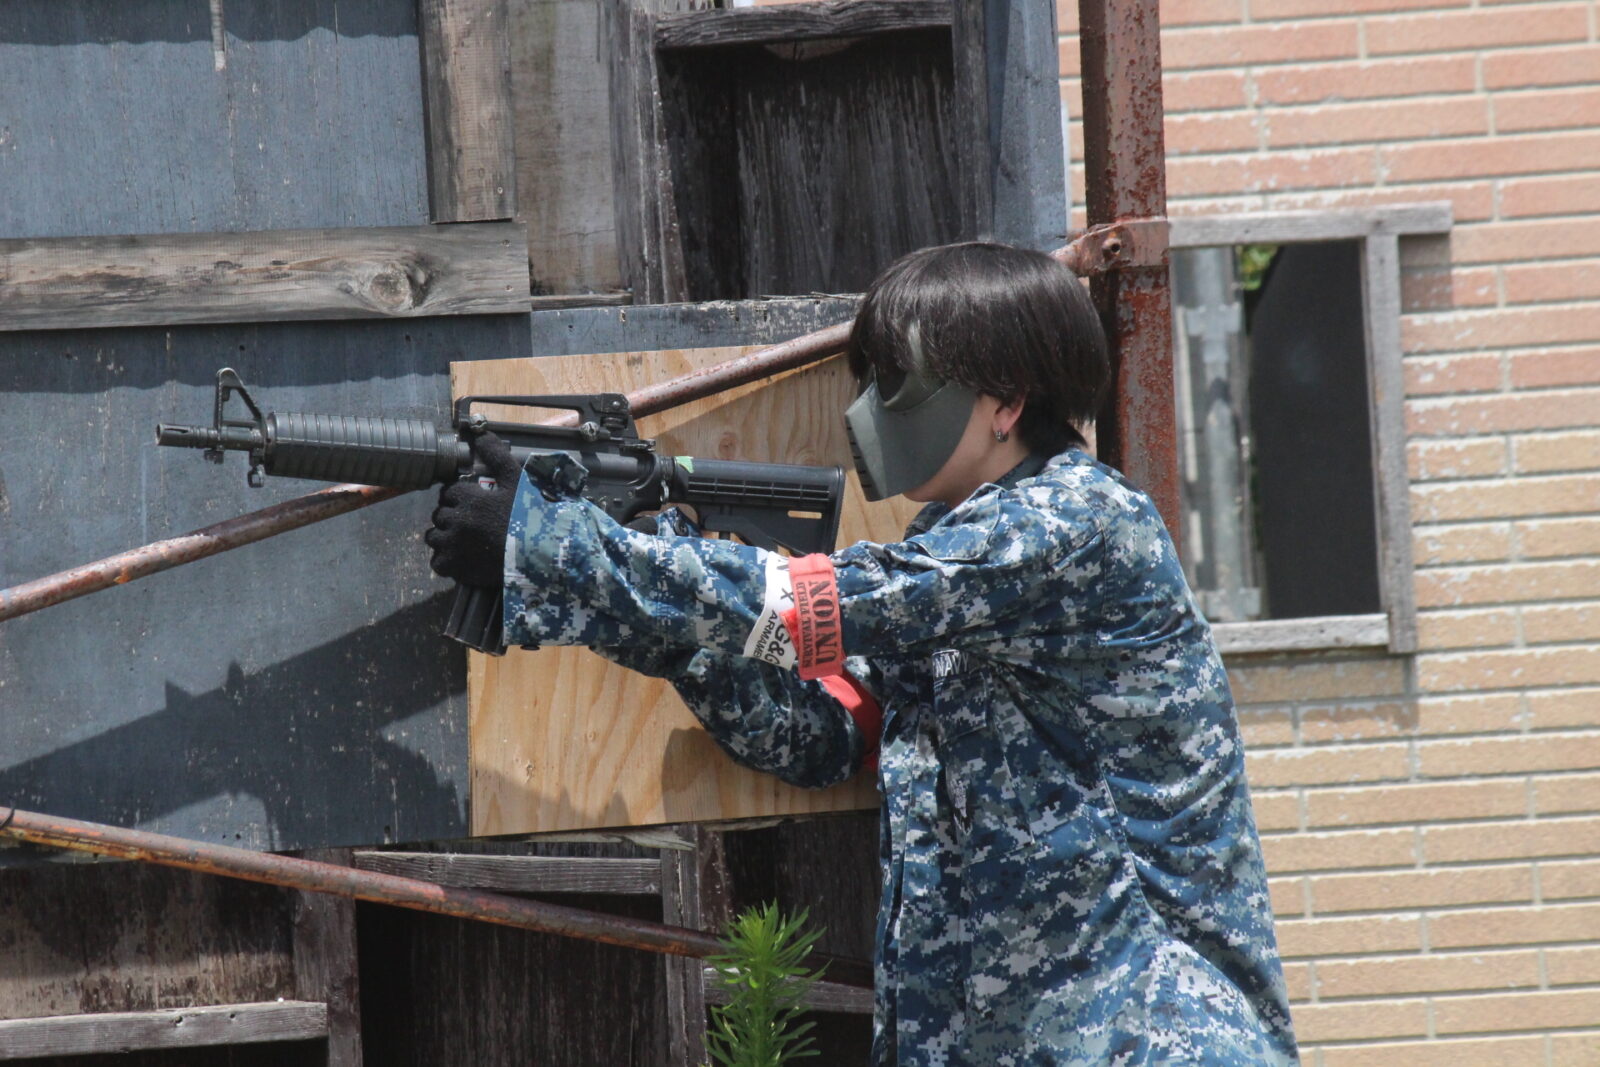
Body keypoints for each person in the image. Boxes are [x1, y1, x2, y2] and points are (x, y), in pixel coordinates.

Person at [426, 242, 1300, 1066]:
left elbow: (822, 609)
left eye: (896, 381)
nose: (870, 409)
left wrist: (556, 544)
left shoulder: (1076, 524)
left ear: (1006, 401)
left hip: (1148, 1037)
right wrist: (631, 584)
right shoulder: (953, 547)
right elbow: (819, 732)